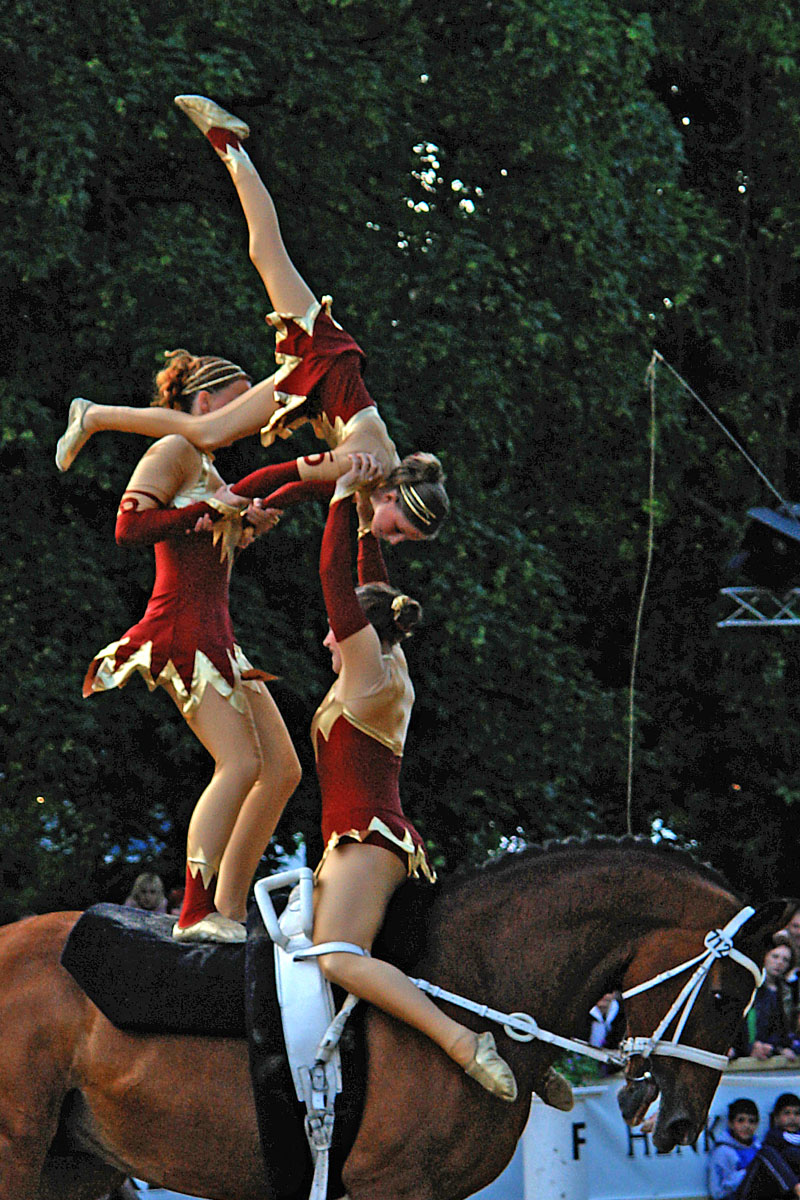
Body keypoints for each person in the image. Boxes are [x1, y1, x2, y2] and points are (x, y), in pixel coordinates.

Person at [255, 455, 570, 1110]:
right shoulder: (387, 659)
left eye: (335, 636)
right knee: (405, 965)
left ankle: (465, 1046)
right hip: (383, 840)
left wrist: (344, 498)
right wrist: (372, 511)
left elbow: (337, 584)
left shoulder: (368, 671)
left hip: (364, 844)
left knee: (337, 957)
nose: (325, 643)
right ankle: (529, 1060)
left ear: (360, 636)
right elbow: (367, 586)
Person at [55, 96, 449, 548]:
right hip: (323, 357)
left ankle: (91, 415)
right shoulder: (369, 461)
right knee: (264, 252)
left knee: (209, 429)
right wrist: (235, 499)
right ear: (393, 497)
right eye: (399, 531)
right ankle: (228, 143)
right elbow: (280, 475)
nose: (392, 540)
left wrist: (258, 508)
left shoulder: (374, 477)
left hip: (319, 380)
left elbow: (344, 520)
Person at [85, 352, 302, 942]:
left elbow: (212, 529)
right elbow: (128, 527)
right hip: (183, 632)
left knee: (281, 769)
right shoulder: (175, 450)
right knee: (240, 763)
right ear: (203, 403)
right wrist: (205, 513)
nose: (245, 419)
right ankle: (194, 912)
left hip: (220, 636)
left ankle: (227, 909)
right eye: (236, 403)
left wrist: (247, 520)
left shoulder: (206, 466)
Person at [733, 940, 798, 1061]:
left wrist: (779, 1048)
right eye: (775, 956)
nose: (779, 963)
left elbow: (785, 1029)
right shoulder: (748, 987)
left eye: (785, 960)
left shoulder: (787, 994)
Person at [708, 1098, 762, 1200]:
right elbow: (717, 1192)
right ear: (731, 1123)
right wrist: (748, 1173)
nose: (746, 1126)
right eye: (741, 1120)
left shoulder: (759, 1148)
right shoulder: (723, 1152)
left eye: (752, 1121)